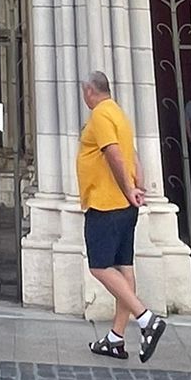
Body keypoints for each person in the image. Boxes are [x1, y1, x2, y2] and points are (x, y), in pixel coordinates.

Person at [78, 71, 166, 362]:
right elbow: (133, 155)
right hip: (125, 205)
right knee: (124, 267)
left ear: (89, 91)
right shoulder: (119, 114)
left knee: (99, 267)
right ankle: (115, 338)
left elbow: (114, 153)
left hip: (106, 203)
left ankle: (146, 319)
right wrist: (138, 186)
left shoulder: (101, 115)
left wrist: (129, 189)